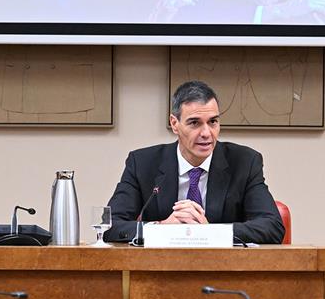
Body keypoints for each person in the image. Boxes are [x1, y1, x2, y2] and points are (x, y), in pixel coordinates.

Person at [104, 79, 285, 244]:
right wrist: (160, 228)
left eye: (213, 121)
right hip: (159, 271)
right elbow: (109, 226)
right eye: (195, 123)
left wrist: (209, 232)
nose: (206, 133)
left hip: (224, 272)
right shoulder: (142, 163)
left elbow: (272, 227)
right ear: (175, 124)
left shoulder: (245, 162)